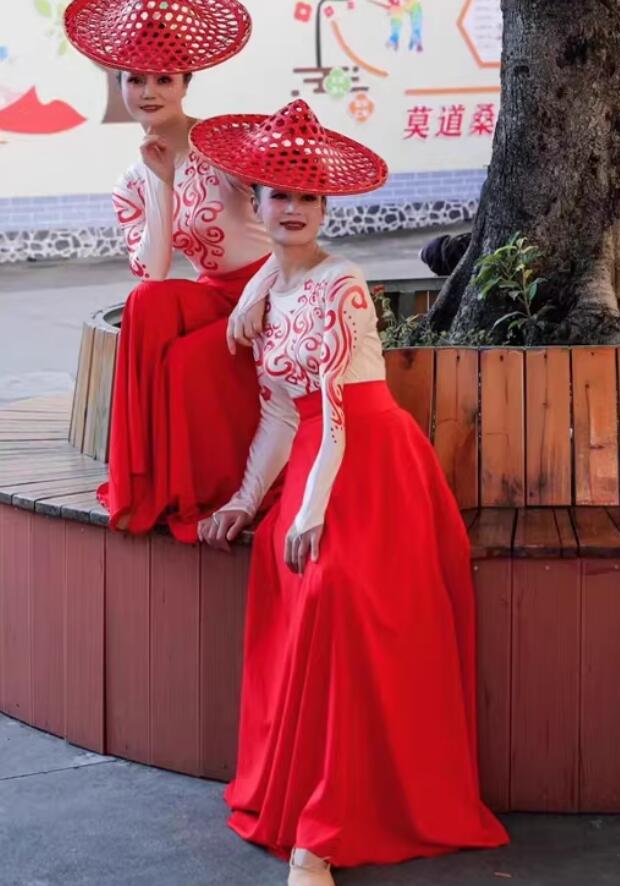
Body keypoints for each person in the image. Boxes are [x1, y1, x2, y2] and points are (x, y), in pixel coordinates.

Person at [192, 99, 509, 884]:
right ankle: (302, 798)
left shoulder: (344, 284)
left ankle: (321, 834)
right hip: (312, 458)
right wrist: (242, 498)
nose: (292, 208)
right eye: (278, 194)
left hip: (368, 462)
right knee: (293, 576)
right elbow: (275, 411)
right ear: (259, 204)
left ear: (325, 206)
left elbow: (334, 412)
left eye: (307, 197)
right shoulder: (271, 291)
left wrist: (307, 512)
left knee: (339, 592)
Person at [64, 0, 271, 542]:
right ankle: (148, 482)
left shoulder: (228, 146)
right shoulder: (131, 180)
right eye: (134, 80)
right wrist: (161, 180)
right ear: (120, 84)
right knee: (145, 303)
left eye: (163, 79)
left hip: (273, 289)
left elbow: (291, 235)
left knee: (184, 362)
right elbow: (153, 271)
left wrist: (261, 295)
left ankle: (209, 488)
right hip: (214, 293)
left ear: (186, 83)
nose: (148, 92)